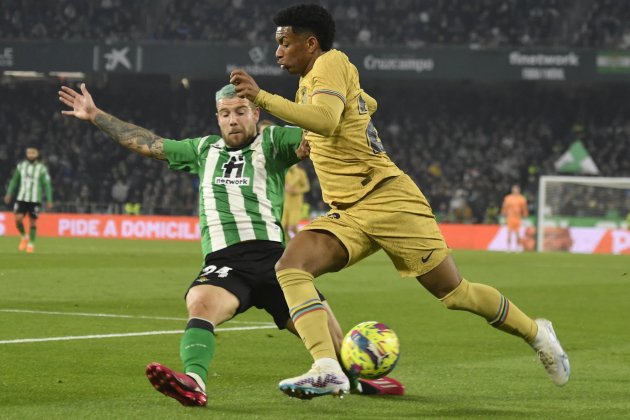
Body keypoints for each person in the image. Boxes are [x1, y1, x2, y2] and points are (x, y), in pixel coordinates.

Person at [229, 3, 570, 399]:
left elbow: (324, 119)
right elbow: (363, 105)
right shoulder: (313, 79)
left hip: (388, 199)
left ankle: (537, 333)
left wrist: (264, 98)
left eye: (284, 43)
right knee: (290, 266)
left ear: (311, 43)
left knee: (455, 293)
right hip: (349, 211)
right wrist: (343, 120)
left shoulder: (330, 63)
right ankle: (326, 367)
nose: (277, 52)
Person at [58, 82, 403, 406]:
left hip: (277, 261)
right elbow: (149, 143)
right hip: (226, 261)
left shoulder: (272, 142)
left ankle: (356, 379)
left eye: (240, 111)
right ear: (217, 118)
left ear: (255, 113)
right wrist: (95, 115)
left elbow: (315, 139)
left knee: (336, 343)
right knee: (200, 302)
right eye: (225, 114)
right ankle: (194, 381)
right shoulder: (202, 149)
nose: (233, 120)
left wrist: (325, 135)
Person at [3, 146, 53, 253]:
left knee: (32, 222)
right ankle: (24, 236)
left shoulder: (42, 168)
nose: (31, 154)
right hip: (22, 197)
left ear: (37, 154)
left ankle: (31, 244)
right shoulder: (21, 166)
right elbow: (14, 181)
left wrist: (49, 199)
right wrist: (9, 193)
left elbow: (47, 184)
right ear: (26, 153)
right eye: (29, 152)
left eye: (33, 152)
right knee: (18, 219)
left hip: (35, 199)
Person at [282, 163, 310, 240]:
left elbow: (306, 187)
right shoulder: (284, 172)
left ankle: (301, 241)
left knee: (293, 227)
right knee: (283, 227)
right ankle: (288, 244)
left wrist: (296, 191)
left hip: (295, 204)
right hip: (285, 203)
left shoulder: (301, 173)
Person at [501, 185, 528, 252]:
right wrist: (503, 213)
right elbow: (505, 207)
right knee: (509, 232)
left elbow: (524, 208)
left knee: (517, 233)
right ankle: (508, 247)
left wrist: (525, 214)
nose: (516, 191)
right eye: (514, 189)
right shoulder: (508, 198)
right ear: (512, 190)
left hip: (518, 217)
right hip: (510, 217)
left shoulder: (522, 198)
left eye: (517, 190)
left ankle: (517, 247)